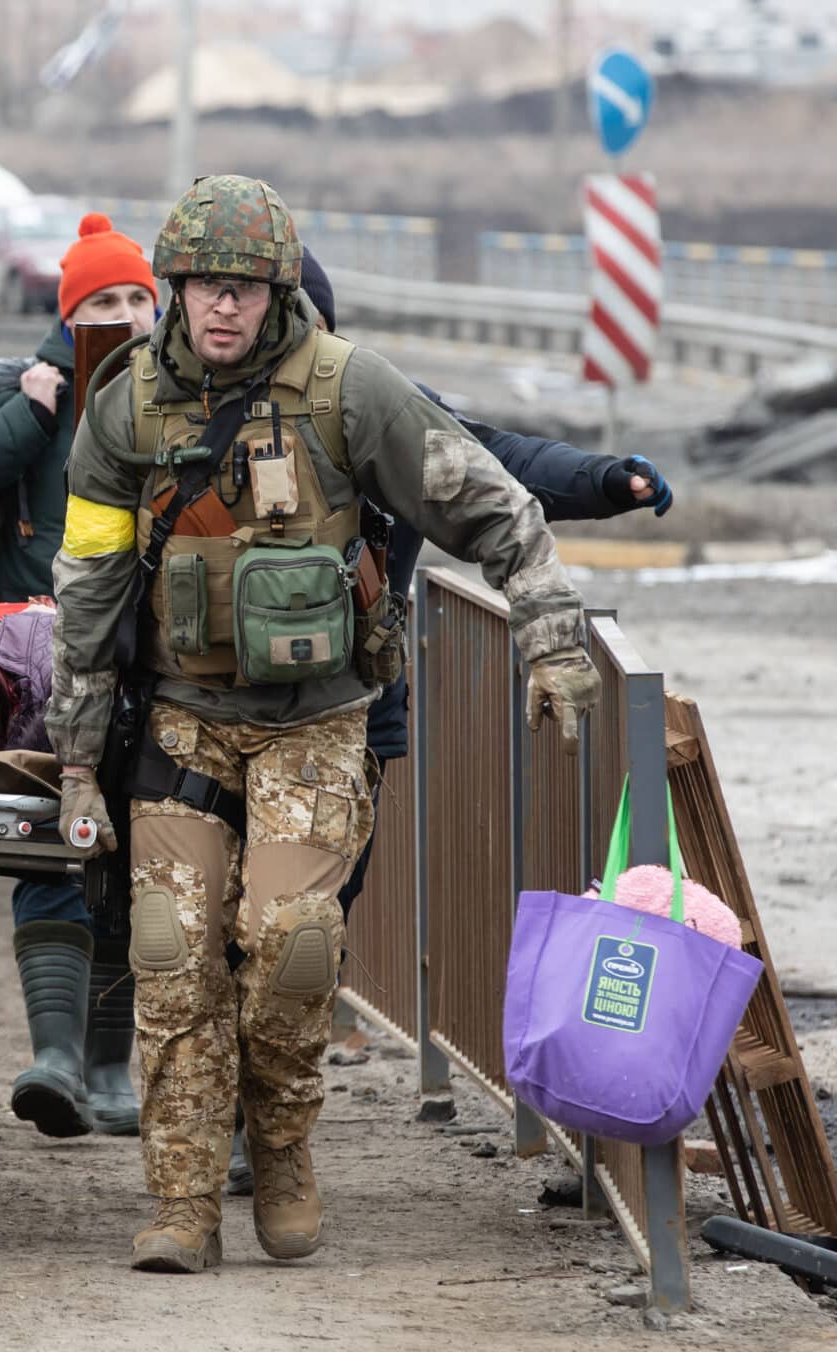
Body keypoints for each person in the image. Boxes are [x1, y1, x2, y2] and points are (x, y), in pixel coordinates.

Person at [47, 176, 598, 1273]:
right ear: (173, 288)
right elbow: (88, 590)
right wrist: (72, 765)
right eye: (200, 285)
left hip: (317, 723)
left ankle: (284, 1153)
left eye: (240, 288)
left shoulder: (350, 392)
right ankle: (181, 1202)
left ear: (275, 290)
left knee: (292, 944)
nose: (218, 307)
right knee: (169, 957)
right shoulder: (121, 407)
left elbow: (488, 501)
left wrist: (549, 632)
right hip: (179, 726)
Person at [212, 249, 678, 1199]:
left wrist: (602, 479)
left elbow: (498, 462)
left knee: (305, 937)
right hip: (210, 719)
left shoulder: (379, 405)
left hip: (349, 721)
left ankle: (260, 1123)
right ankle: (216, 1118)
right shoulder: (192, 410)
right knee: (214, 927)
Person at [0, 212, 161, 1142]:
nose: (124, 315)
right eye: (102, 301)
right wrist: (28, 415)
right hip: (40, 663)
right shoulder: (24, 386)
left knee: (133, 863)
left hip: (156, 665)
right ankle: (55, 1055)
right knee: (53, 842)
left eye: (137, 297)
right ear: (70, 312)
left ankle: (107, 1063)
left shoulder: (180, 392)